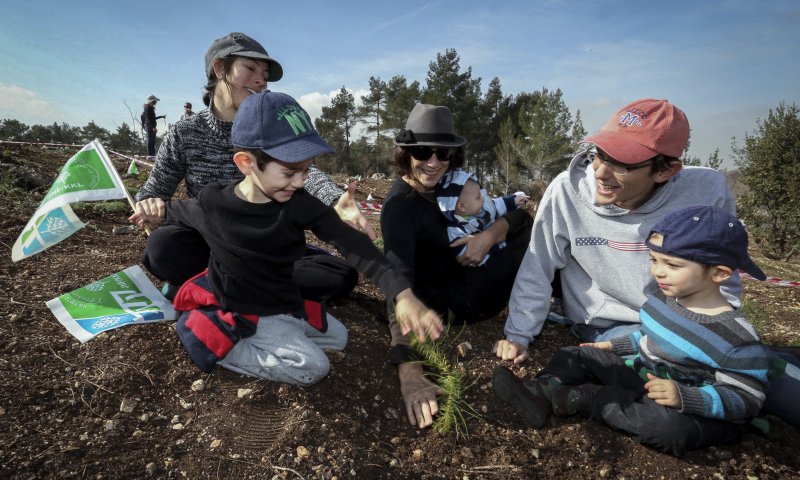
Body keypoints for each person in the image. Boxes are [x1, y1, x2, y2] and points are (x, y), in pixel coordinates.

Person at [494, 98, 800, 426]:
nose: (600, 171)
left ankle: (769, 363)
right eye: (599, 154)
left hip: (687, 322)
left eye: (623, 163)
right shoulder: (566, 193)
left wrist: (718, 336)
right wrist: (518, 335)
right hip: (610, 326)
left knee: (767, 382)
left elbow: (720, 272)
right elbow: (538, 266)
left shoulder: (705, 192)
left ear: (666, 169)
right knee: (687, 393)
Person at [159, 91, 443, 385]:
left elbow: (351, 242)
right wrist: (154, 209)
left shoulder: (299, 202)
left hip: (282, 301)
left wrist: (403, 294)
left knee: (339, 337)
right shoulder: (214, 203)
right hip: (240, 309)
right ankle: (217, 339)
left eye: (306, 170)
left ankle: (281, 330)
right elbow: (176, 211)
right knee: (313, 367)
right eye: (289, 172)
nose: (299, 181)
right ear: (246, 163)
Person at [494, 205, 773, 456]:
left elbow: (747, 398)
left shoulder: (737, 340)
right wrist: (616, 348)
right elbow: (648, 338)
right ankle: (542, 391)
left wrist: (685, 397)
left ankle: (584, 399)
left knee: (668, 429)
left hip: (693, 411)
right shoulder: (663, 300)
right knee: (579, 355)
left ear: (719, 273)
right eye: (654, 260)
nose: (658, 272)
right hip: (646, 378)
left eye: (673, 265)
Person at [130, 32, 374, 303]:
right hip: (211, 243)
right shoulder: (185, 133)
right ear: (220, 68)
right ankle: (256, 290)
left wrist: (334, 198)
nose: (261, 80)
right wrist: (148, 206)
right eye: (250, 68)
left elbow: (302, 169)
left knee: (338, 275)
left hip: (266, 244)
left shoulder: (273, 124)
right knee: (163, 248)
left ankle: (210, 288)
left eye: (265, 73)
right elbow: (153, 191)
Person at [380, 103, 533, 428]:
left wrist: (488, 237)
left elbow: (519, 215)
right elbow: (397, 284)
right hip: (455, 304)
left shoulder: (452, 185)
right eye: (422, 151)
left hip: (480, 274)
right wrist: (409, 370)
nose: (433, 162)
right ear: (405, 152)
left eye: (443, 152)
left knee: (534, 226)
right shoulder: (400, 208)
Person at [435, 169, 528, 266]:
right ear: (462, 207)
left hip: (504, 245)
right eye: (478, 197)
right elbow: (468, 255)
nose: (482, 199)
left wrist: (513, 200)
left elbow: (497, 205)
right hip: (493, 262)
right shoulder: (456, 230)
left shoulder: (482, 208)